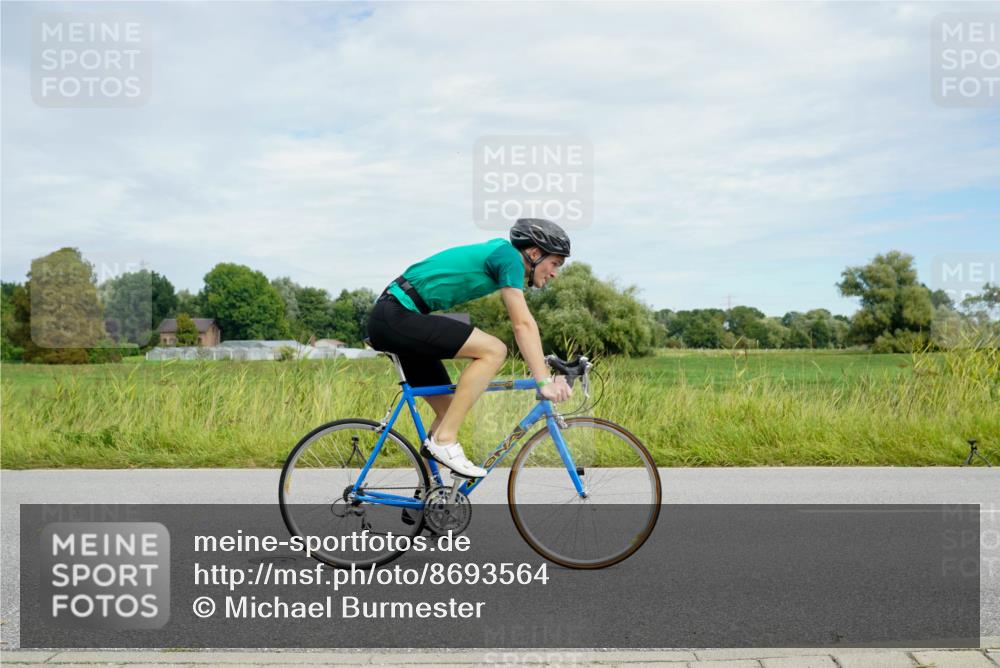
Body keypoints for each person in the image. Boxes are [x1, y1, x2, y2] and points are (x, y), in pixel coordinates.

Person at [366, 218, 574, 478]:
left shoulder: (501, 255)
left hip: (399, 317)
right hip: (396, 316)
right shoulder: (509, 257)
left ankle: (432, 497)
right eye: (555, 263)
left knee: (448, 411)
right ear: (534, 253)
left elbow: (526, 326)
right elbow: (522, 324)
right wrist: (543, 381)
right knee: (494, 350)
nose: (555, 272)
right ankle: (445, 441)